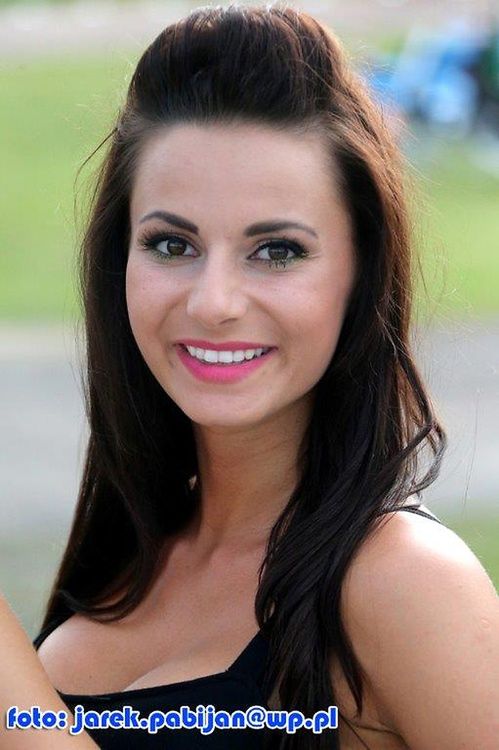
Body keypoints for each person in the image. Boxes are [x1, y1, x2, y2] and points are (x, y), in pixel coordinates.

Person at [2, 4, 498, 749]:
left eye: (277, 252)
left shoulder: (403, 582)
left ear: (359, 274)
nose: (214, 303)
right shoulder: (132, 552)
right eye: (171, 245)